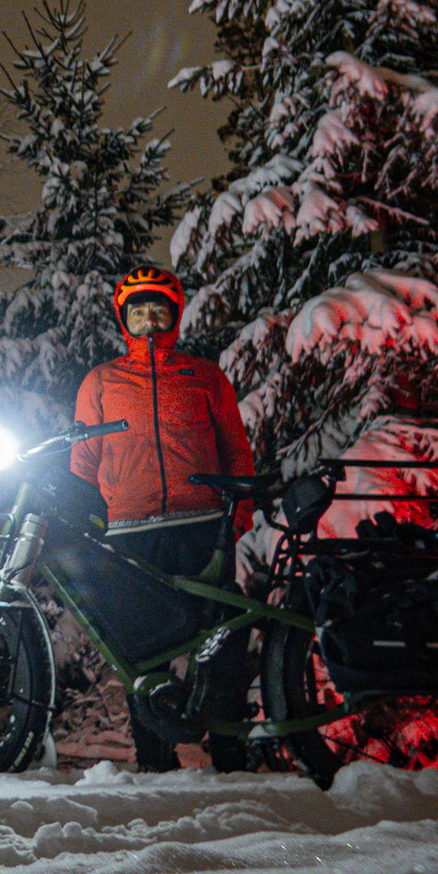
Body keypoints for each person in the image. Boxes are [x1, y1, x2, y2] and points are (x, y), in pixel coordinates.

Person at [71, 265, 258, 772]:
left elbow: (236, 452)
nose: (149, 321)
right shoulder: (102, 380)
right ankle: (155, 761)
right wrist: (88, 523)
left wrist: (238, 515)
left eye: (159, 311)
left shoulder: (204, 376)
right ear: (123, 318)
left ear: (175, 317)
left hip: (202, 527)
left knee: (221, 636)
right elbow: (82, 465)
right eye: (139, 311)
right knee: (139, 652)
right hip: (131, 532)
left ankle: (229, 753)